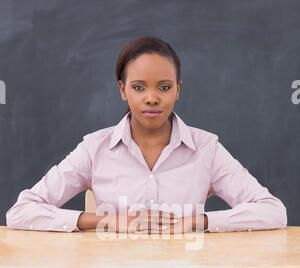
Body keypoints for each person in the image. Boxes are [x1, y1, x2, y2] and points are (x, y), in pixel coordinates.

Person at [6, 36, 287, 234]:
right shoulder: (95, 148)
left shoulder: (207, 149)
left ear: (178, 90)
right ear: (122, 90)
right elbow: (21, 212)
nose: (151, 98)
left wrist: (197, 221)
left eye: (163, 88)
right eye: (139, 87)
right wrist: (107, 221)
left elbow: (273, 211)